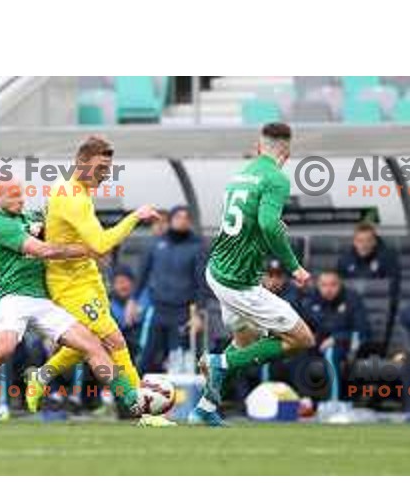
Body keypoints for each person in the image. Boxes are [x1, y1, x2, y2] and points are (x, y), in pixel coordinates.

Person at [0, 180, 142, 425]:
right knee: (2, 350)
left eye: (21, 195)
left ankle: (133, 398)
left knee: (93, 345)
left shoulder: (31, 215)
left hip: (43, 299)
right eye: (13, 196)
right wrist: (88, 250)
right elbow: (45, 251)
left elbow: (59, 224)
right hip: (13, 298)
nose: (20, 199)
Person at [27, 135, 175, 426]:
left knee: (87, 343)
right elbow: (101, 243)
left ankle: (40, 377)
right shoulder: (73, 197)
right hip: (69, 285)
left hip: (87, 277)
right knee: (113, 339)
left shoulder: (74, 188)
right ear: (81, 163)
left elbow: (80, 240)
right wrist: (136, 216)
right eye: (99, 168)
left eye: (107, 169)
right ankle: (142, 409)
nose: (104, 174)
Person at [190, 122, 315, 427]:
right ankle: (220, 362)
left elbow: (249, 223)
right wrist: (294, 266)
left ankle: (205, 408)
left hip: (218, 271)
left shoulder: (239, 177)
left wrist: (267, 228)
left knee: (246, 340)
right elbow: (269, 224)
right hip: (240, 282)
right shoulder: (276, 178)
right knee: (302, 338)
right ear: (286, 151)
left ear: (259, 146)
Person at [136, 205, 207, 374]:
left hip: (183, 312)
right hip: (157, 310)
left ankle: (181, 398)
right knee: (147, 354)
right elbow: (142, 275)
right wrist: (133, 300)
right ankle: (134, 395)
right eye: (178, 217)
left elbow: (201, 283)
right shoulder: (156, 244)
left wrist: (198, 313)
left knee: (180, 358)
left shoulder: (197, 246)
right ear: (171, 221)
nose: (182, 221)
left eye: (186, 218)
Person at [302, 270, 370, 401]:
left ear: (341, 285)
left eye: (333, 285)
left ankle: (334, 402)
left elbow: (363, 332)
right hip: (317, 345)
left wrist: (336, 339)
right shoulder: (311, 300)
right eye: (324, 285)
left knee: (331, 353)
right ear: (318, 286)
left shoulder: (352, 299)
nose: (328, 289)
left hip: (346, 347)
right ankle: (306, 402)